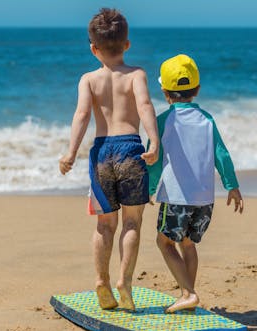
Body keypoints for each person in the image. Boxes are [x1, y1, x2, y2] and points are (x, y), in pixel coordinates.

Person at [59, 8, 159, 311]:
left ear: (93, 49)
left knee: (105, 225)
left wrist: (71, 152)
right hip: (130, 147)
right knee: (132, 222)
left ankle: (101, 280)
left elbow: (81, 115)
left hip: (101, 152)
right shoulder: (137, 75)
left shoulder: (88, 79)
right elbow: (144, 105)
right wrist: (153, 139)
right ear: (127, 44)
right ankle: (124, 281)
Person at [147, 54, 244, 313]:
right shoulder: (207, 120)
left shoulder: (163, 120)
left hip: (177, 198)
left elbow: (154, 159)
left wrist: (148, 189)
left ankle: (189, 293)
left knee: (164, 242)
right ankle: (186, 298)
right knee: (187, 243)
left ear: (165, 92)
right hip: (204, 200)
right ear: (197, 90)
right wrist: (231, 185)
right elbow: (221, 154)